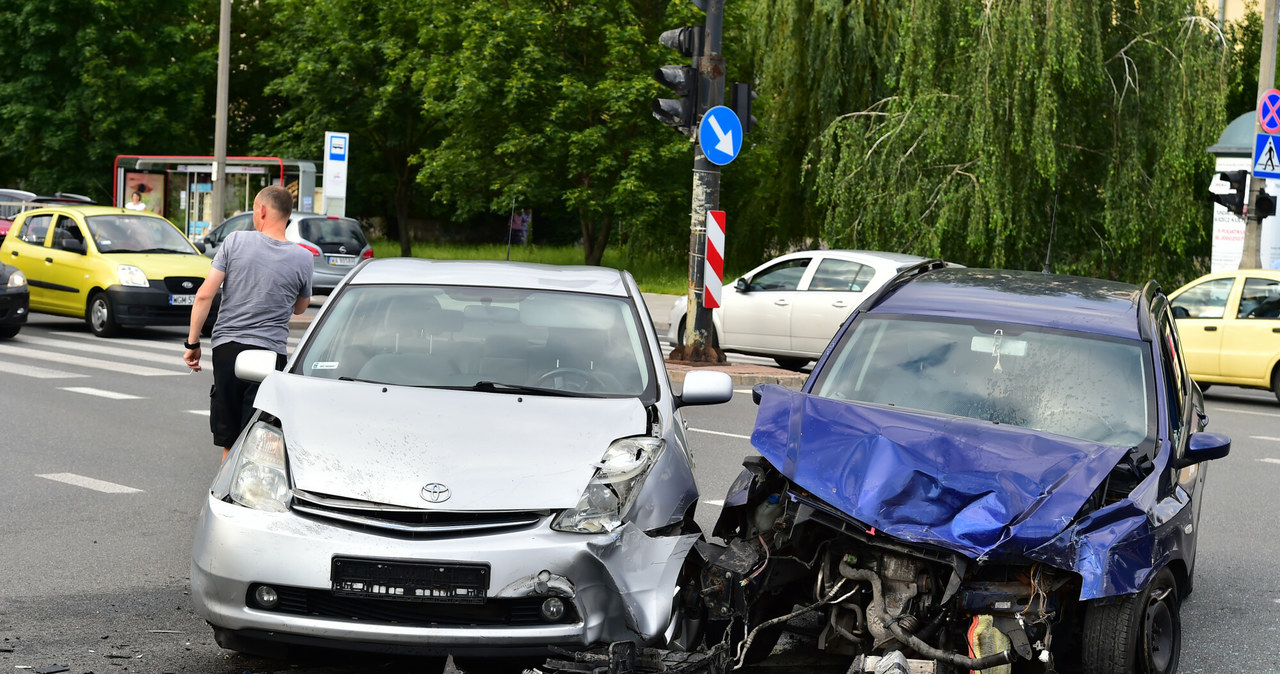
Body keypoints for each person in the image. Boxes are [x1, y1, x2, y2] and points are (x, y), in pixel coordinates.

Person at [183, 185, 312, 461]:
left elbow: (205, 294)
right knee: (261, 436)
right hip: (269, 353)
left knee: (230, 440)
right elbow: (301, 308)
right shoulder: (303, 257)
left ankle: (226, 496)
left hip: (229, 350)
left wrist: (192, 343)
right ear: (288, 216)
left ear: (262, 210)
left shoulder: (235, 242)